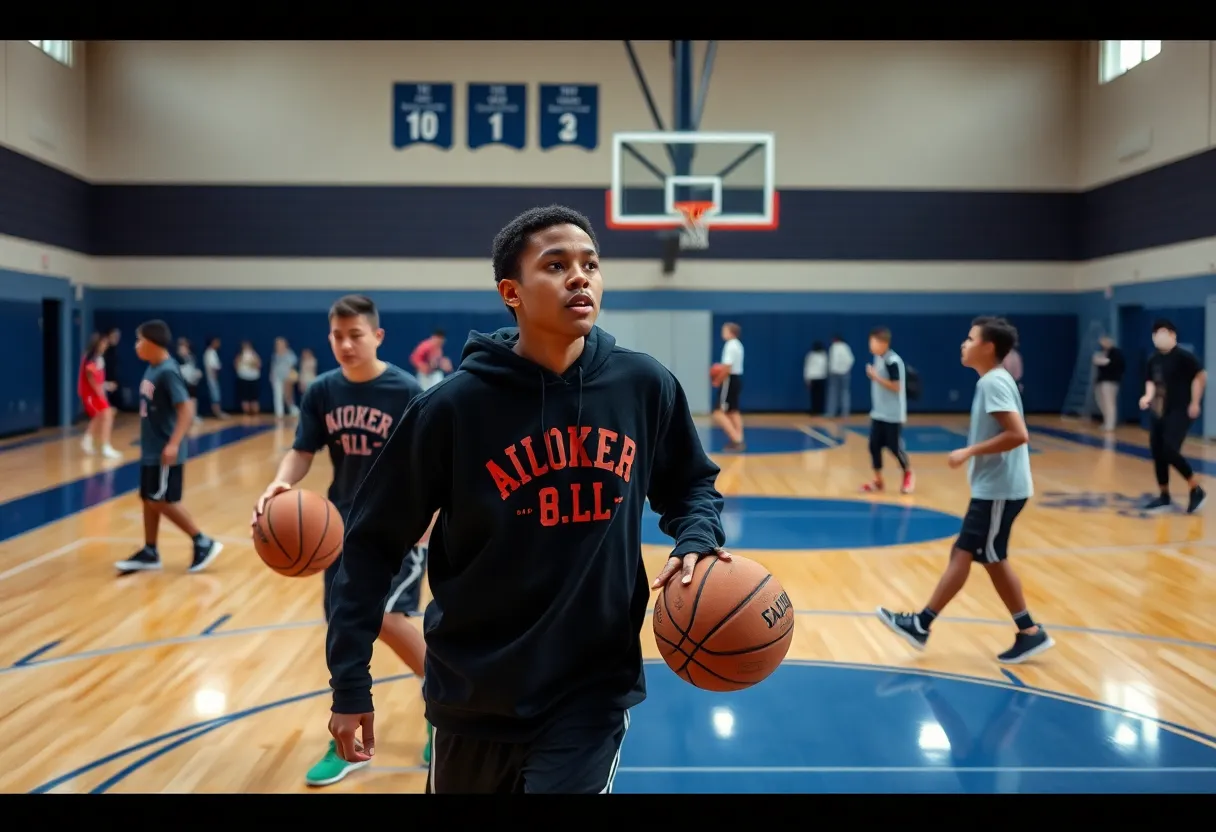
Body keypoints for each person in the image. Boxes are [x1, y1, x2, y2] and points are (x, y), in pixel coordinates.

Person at [324, 205, 729, 794]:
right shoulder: (452, 409)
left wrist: (697, 536)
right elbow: (369, 543)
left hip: (590, 690)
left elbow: (692, 483)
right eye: (556, 264)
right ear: (511, 292)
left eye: (590, 264)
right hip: (473, 689)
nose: (580, 277)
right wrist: (350, 682)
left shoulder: (643, 386)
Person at [252, 295, 431, 786]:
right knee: (344, 630)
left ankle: (441, 703)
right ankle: (349, 741)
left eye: (356, 334)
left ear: (377, 337)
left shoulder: (406, 390)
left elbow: (429, 462)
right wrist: (280, 484)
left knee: (386, 617)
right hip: (339, 528)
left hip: (400, 527)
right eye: (337, 335)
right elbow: (301, 450)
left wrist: (430, 517)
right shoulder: (322, 391)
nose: (346, 344)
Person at [877, 316, 1053, 665]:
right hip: (998, 488)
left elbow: (1019, 434)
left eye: (970, 339)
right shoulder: (992, 380)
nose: (964, 343)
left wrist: (969, 451)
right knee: (990, 556)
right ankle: (1029, 631)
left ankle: (922, 624)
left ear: (988, 347)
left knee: (965, 553)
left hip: (1000, 489)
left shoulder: (993, 383)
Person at [114, 320, 222, 575]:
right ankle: (150, 550)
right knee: (148, 498)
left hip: (165, 449)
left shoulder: (167, 371)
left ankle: (202, 541)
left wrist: (173, 444)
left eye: (139, 340)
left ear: (152, 343)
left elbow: (186, 409)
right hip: (151, 449)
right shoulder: (152, 369)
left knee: (159, 499)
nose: (136, 346)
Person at [1140, 319, 1206, 514]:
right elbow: (1151, 381)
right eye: (1155, 333)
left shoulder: (1184, 357)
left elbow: (1200, 376)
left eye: (1162, 332)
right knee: (1158, 452)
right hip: (1159, 409)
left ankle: (1195, 488)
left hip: (1181, 410)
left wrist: (1195, 401)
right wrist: (1147, 396)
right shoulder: (1153, 359)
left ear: (1172, 335)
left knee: (1169, 449)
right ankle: (1164, 496)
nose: (1158, 337)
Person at [861, 326, 914, 494]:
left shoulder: (893, 361)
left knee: (894, 447)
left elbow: (897, 386)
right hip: (879, 413)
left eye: (874, 342)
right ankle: (878, 480)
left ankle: (908, 474)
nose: (871, 345)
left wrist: (876, 377)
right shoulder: (878, 358)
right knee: (873, 446)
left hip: (893, 414)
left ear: (884, 343)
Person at [79, 332, 122, 459]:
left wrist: (106, 385)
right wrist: (100, 392)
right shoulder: (91, 358)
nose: (105, 346)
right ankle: (105, 446)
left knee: (100, 416)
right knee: (107, 414)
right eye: (103, 343)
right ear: (96, 344)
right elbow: (90, 377)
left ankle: (87, 439)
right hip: (90, 395)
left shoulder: (99, 358)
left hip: (95, 393)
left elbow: (98, 380)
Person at [712, 322, 746, 450]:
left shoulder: (730, 345)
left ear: (731, 332)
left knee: (718, 413)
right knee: (733, 411)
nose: (723, 332)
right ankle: (740, 439)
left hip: (729, 380)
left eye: (724, 330)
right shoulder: (738, 345)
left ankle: (736, 439)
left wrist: (717, 380)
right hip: (736, 379)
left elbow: (727, 367)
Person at [1092, 334, 1125, 432]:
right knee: (1100, 401)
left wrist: (1103, 361)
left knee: (1109, 402)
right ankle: (1106, 421)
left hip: (1111, 381)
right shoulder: (1102, 352)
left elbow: (1113, 364)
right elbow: (1098, 362)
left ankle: (1110, 423)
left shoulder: (1116, 353)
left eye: (1105, 341)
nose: (1103, 343)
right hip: (1101, 380)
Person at [826, 334, 854, 418]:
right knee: (845, 392)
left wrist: (831, 370)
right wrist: (846, 369)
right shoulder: (846, 347)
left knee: (833, 393)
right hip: (845, 373)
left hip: (834, 373)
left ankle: (831, 412)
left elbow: (832, 360)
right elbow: (851, 359)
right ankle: (845, 413)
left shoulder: (833, 347)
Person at [202, 336, 228, 419]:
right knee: (215, 395)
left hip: (213, 378)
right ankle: (217, 413)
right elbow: (213, 367)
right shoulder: (210, 353)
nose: (218, 344)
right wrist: (214, 376)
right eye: (217, 342)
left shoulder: (212, 352)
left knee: (216, 395)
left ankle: (218, 412)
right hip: (212, 378)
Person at [804, 341, 828, 415]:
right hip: (819, 377)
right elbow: (807, 367)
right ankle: (817, 410)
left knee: (815, 395)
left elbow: (807, 368)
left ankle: (816, 410)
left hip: (816, 377)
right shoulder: (819, 355)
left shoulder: (812, 355)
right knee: (818, 395)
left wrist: (807, 379)